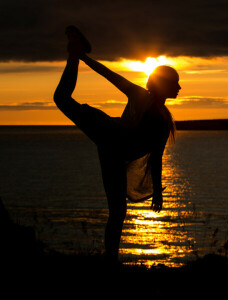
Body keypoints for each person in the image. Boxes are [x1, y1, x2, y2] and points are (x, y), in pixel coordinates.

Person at [53, 26, 181, 262]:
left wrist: (158, 192)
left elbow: (156, 156)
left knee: (118, 212)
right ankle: (74, 52)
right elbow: (111, 75)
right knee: (61, 99)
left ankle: (110, 258)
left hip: (113, 153)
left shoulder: (164, 118)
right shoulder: (142, 97)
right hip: (107, 134)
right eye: (176, 83)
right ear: (164, 85)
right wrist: (84, 58)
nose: (180, 88)